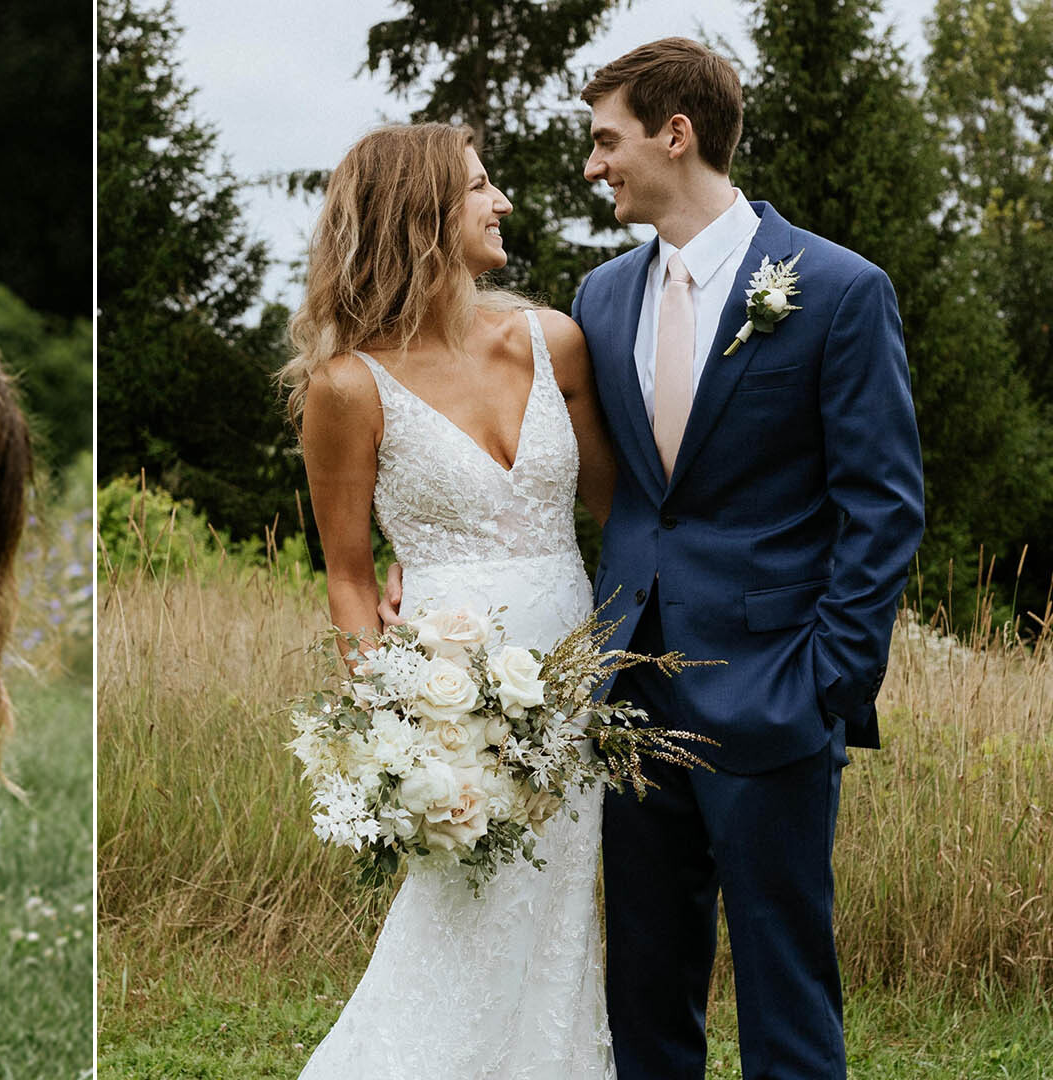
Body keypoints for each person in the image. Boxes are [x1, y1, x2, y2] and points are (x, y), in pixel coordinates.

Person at [572, 39, 922, 1080]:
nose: (595, 166)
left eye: (607, 140)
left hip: (776, 688)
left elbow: (884, 503)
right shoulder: (598, 299)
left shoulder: (839, 290)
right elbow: (611, 487)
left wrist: (830, 681)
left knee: (785, 987)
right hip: (630, 684)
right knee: (644, 983)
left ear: (675, 134)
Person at [282, 122, 619, 1078]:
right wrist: (393, 723)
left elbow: (622, 513)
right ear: (421, 214)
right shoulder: (348, 387)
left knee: (554, 917)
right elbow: (348, 573)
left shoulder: (552, 341)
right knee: (462, 916)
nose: (501, 201)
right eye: (479, 187)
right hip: (448, 698)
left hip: (574, 682)